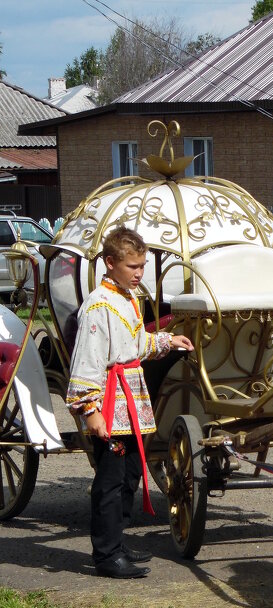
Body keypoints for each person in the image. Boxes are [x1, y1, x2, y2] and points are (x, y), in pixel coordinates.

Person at [66, 227, 194, 578]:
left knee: (130, 475)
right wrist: (89, 411)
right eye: (132, 266)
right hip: (108, 404)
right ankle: (106, 555)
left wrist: (169, 341)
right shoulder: (98, 307)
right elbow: (88, 362)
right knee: (109, 480)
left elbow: (136, 344)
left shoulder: (127, 299)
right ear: (110, 263)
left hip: (131, 404)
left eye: (142, 266)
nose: (139, 273)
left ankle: (116, 542)